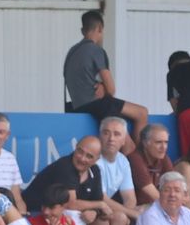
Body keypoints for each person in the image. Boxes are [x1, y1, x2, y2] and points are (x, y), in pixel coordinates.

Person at [24, 134, 126, 225]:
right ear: (75, 148)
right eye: (80, 151)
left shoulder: (95, 171)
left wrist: (95, 212)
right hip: (38, 214)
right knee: (73, 216)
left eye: (89, 156)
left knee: (102, 222)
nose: (82, 158)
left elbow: (97, 203)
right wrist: (100, 205)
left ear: (97, 159)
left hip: (60, 216)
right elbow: (71, 204)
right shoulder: (65, 166)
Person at [62, 9, 146, 147]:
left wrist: (100, 85)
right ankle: (139, 155)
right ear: (100, 28)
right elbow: (111, 89)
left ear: (82, 30)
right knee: (142, 113)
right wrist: (105, 88)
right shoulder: (96, 50)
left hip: (75, 106)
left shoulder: (71, 52)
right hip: (98, 105)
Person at [127, 123, 173, 208]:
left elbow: (174, 183)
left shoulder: (163, 158)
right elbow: (154, 195)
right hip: (137, 209)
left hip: (154, 206)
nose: (163, 147)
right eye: (158, 142)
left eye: (166, 142)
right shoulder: (134, 159)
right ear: (145, 143)